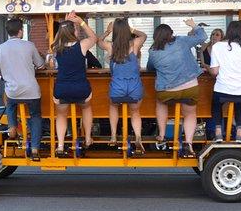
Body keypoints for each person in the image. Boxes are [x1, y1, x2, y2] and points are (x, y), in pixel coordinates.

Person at [147, 19, 207, 157]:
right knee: (190, 114)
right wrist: (194, 25)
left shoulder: (153, 51)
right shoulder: (181, 41)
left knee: (160, 102)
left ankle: (162, 135)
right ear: (171, 34)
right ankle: (188, 143)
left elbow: (151, 68)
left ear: (155, 37)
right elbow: (202, 37)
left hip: (167, 91)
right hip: (190, 88)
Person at [0, 18, 45, 161]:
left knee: (10, 103)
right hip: (31, 91)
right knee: (35, 116)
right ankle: (34, 149)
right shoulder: (30, 45)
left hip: (13, 91)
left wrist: (5, 73)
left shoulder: (0, 48)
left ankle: (12, 127)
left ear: (8, 32)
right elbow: (40, 65)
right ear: (20, 31)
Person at [98, 18, 147, 153]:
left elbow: (98, 41)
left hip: (117, 89)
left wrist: (107, 32)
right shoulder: (135, 44)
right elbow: (144, 35)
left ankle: (113, 135)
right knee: (135, 112)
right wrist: (132, 30)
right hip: (134, 88)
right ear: (127, 30)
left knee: (113, 106)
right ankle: (138, 137)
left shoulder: (110, 46)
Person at [52, 11, 97, 156]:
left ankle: (60, 145)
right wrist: (81, 21)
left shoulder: (56, 47)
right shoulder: (82, 46)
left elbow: (61, 34)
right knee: (86, 108)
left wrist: (67, 24)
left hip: (62, 89)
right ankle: (88, 137)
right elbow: (94, 38)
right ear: (74, 31)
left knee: (61, 115)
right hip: (80, 89)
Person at [210, 20, 241, 144]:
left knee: (216, 104)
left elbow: (214, 71)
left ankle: (218, 133)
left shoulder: (217, 46)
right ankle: (240, 134)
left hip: (222, 91)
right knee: (240, 105)